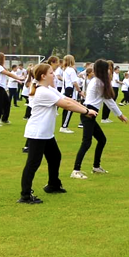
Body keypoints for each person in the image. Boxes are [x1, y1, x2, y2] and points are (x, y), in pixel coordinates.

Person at [21, 63, 98, 203]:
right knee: (33, 163)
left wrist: (85, 108)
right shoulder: (42, 91)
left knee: (55, 157)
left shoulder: (48, 88)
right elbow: (66, 105)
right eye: (51, 73)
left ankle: (53, 185)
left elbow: (68, 99)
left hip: (46, 133)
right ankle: (25, 195)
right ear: (43, 76)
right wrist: (86, 112)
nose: (54, 75)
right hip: (37, 133)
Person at [70, 59, 128, 179]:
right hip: (89, 113)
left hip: (91, 113)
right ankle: (76, 170)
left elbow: (107, 100)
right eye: (107, 68)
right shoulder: (99, 83)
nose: (109, 70)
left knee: (102, 140)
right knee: (86, 142)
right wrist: (120, 115)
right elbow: (109, 101)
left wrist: (119, 114)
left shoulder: (98, 81)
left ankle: (96, 167)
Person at [0, 53, 23, 126]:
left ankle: (4, 119)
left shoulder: (0, 67)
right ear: (1, 59)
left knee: (7, 103)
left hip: (1, 87)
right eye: (4, 58)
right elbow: (8, 74)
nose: (5, 59)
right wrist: (18, 78)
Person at [59, 56, 81, 133]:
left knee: (67, 109)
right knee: (69, 109)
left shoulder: (65, 70)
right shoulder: (71, 70)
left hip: (65, 90)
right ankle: (64, 126)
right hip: (70, 91)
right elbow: (74, 82)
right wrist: (79, 91)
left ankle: (64, 125)